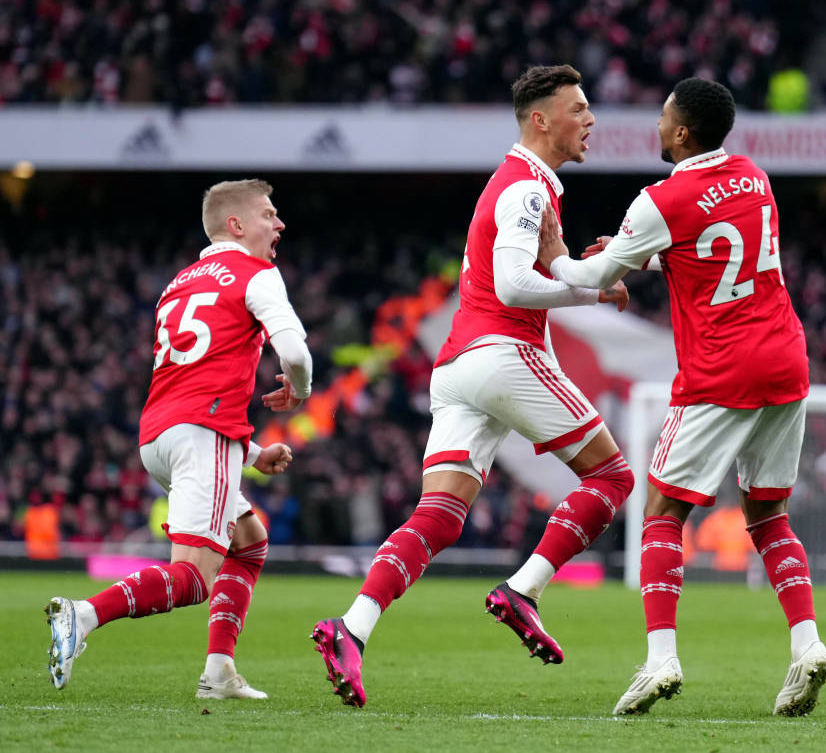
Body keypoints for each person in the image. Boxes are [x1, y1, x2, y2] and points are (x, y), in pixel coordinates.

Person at [310, 64, 634, 708]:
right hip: (502, 350)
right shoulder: (524, 189)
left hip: (460, 367)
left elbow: (554, 265)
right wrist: (593, 289)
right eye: (578, 108)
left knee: (439, 516)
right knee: (613, 479)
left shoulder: (529, 184)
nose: (590, 119)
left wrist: (600, 267)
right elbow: (515, 286)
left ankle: (351, 629)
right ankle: (524, 589)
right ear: (541, 120)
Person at [537, 77, 826, 717]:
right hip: (786, 358)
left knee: (662, 511)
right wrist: (628, 254)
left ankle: (661, 658)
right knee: (768, 516)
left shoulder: (659, 200)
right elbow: (706, 247)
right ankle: (807, 646)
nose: (657, 125)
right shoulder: (755, 177)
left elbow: (595, 276)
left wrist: (556, 258)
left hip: (722, 369)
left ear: (682, 133)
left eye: (663, 117)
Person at [45, 179, 313, 698]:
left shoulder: (180, 284)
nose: (278, 224)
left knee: (249, 543)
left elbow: (191, 384)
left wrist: (253, 455)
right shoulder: (256, 273)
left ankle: (219, 673)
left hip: (160, 437)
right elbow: (296, 355)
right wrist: (299, 391)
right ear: (236, 225)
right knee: (192, 579)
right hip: (200, 437)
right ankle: (82, 616)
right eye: (268, 214)